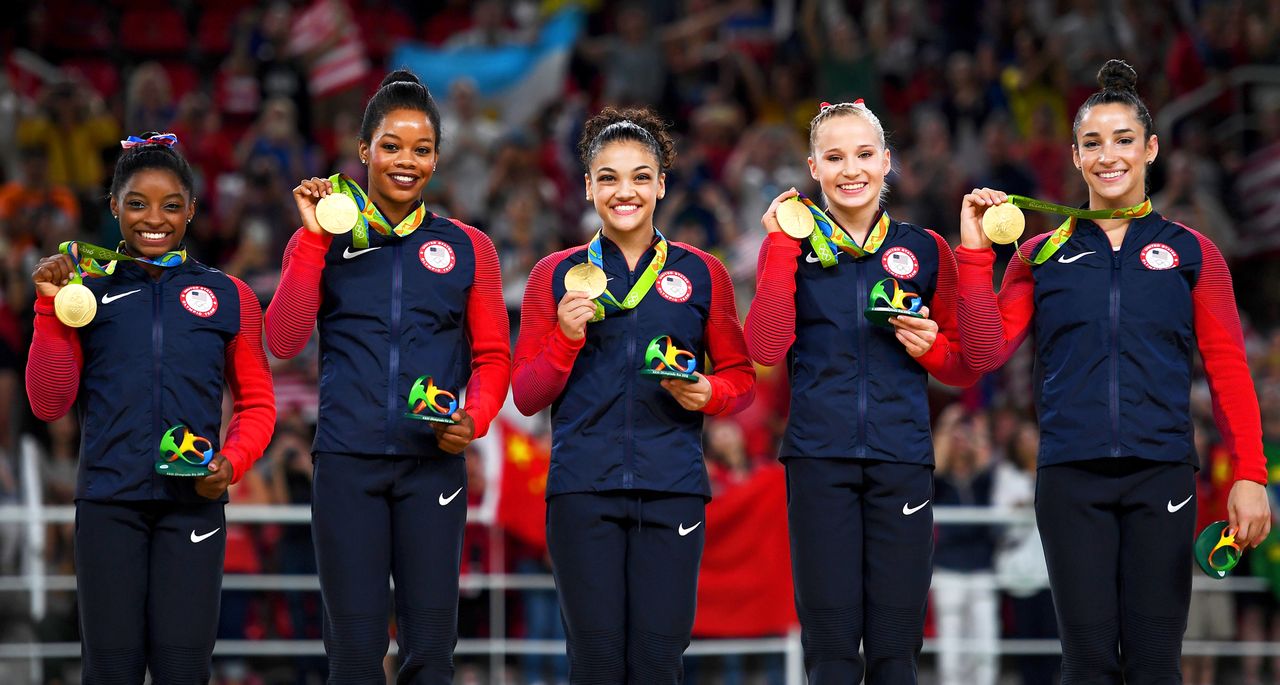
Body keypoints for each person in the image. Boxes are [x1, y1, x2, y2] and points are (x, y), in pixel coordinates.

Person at [955, 59, 1271, 682]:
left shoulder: (1191, 252)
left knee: (1155, 663)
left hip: (1163, 476)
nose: (1109, 156)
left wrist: (1250, 474)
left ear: (1150, 148)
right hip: (1071, 478)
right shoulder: (1040, 253)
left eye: (1124, 140)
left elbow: (1230, 370)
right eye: (1093, 143)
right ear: (1074, 157)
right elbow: (981, 355)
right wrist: (971, 253)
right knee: (1089, 662)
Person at [264, 70, 511, 683]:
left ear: (437, 157)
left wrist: (473, 419)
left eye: (422, 149)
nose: (407, 161)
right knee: (353, 652)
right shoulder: (325, 238)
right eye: (392, 146)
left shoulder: (469, 246)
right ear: (364, 151)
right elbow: (283, 339)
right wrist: (313, 238)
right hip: (347, 463)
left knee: (430, 653)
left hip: (434, 463)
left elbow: (494, 361)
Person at [511, 106, 755, 683]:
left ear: (662, 184)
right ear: (590, 185)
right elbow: (525, 394)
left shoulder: (702, 273)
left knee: (657, 663)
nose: (627, 191)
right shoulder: (554, 273)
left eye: (642, 176)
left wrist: (708, 393)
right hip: (581, 490)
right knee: (595, 664)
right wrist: (566, 341)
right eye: (611, 177)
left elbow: (742, 379)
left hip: (671, 488)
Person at [25, 132, 276, 682]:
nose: (152, 219)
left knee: (183, 670)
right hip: (108, 505)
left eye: (170, 205)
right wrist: (48, 312)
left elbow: (258, 404)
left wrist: (230, 464)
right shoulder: (83, 293)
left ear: (191, 209)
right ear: (114, 207)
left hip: (193, 505)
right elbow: (49, 403)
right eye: (136, 204)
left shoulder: (229, 295)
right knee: (111, 670)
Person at [743, 99, 977, 684]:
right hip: (819, 460)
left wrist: (930, 349)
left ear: (888, 162)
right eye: (835, 156)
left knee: (897, 653)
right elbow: (765, 348)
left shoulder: (925, 249)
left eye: (865, 154)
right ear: (813, 168)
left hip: (901, 458)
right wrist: (775, 247)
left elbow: (965, 363)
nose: (852, 169)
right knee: (829, 652)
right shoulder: (791, 250)